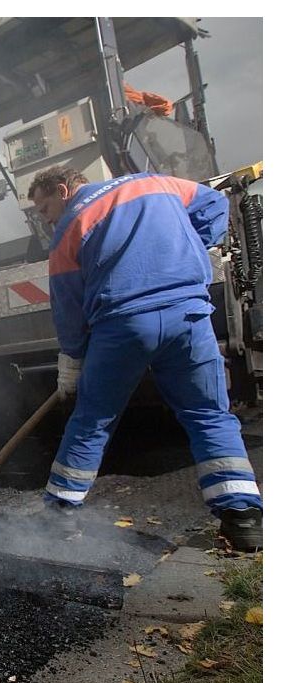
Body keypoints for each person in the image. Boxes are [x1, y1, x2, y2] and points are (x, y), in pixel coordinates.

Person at [28, 165, 262, 551]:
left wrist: (71, 360)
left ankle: (60, 517)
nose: (45, 218)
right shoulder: (158, 183)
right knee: (209, 414)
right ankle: (243, 519)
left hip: (122, 327)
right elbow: (214, 205)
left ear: (63, 190)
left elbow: (68, 308)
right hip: (188, 317)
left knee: (93, 420)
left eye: (44, 207)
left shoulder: (71, 226)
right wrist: (187, 249)